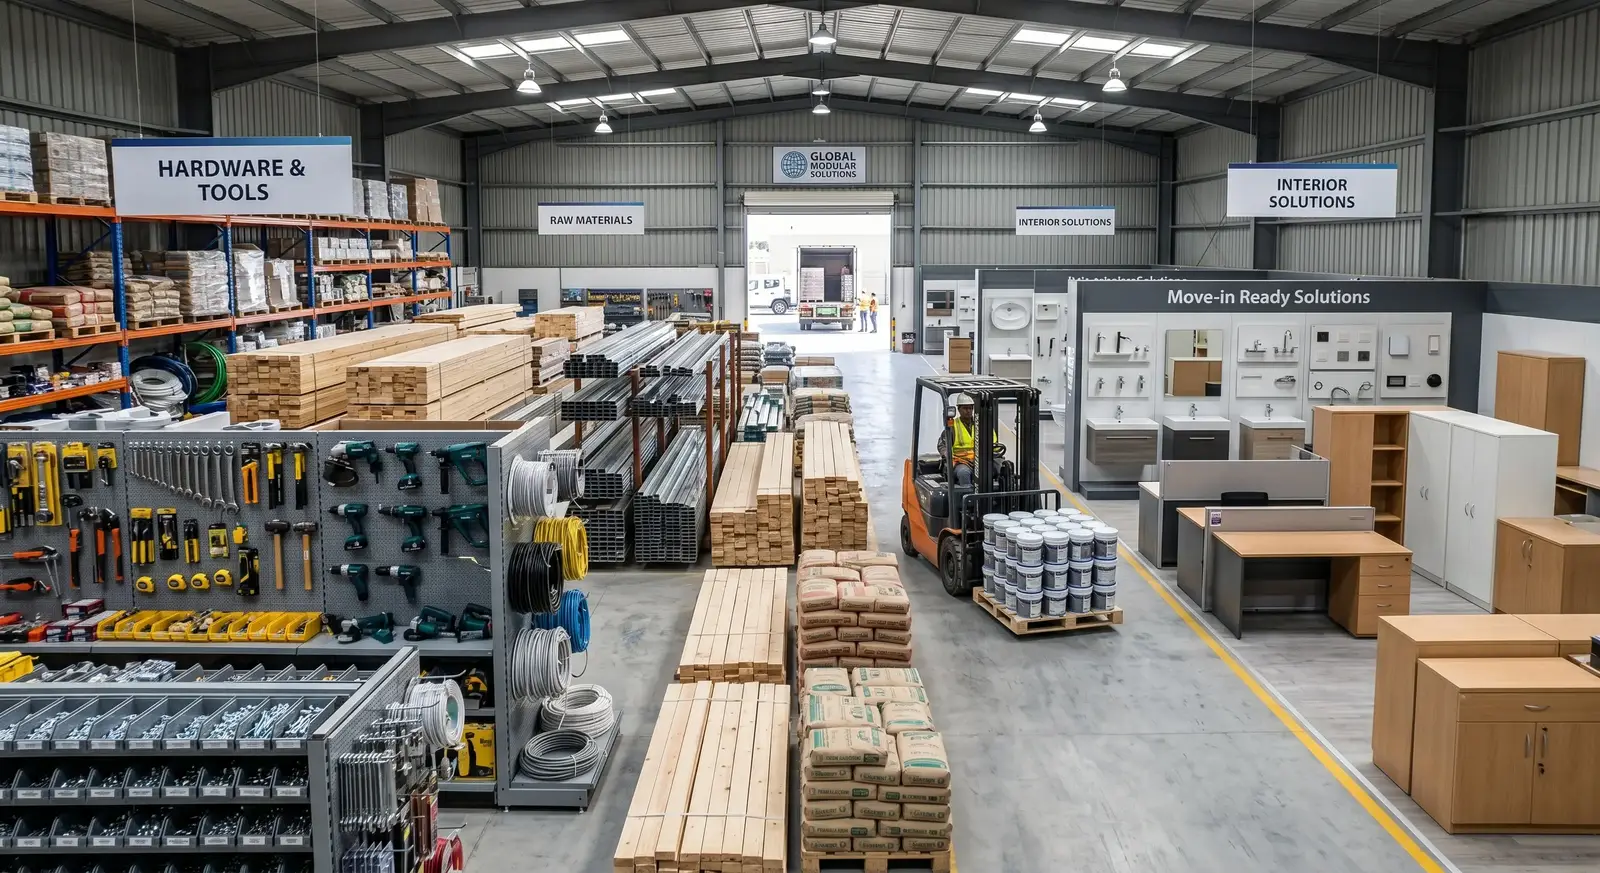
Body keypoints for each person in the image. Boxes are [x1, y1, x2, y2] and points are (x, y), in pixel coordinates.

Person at [937, 394, 990, 486]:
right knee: (964, 473)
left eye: (970, 408)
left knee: (1000, 468)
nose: (968, 411)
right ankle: (969, 498)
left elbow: (993, 443)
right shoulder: (953, 426)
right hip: (960, 462)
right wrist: (947, 455)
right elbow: (942, 445)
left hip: (979, 461)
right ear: (959, 409)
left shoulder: (981, 424)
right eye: (965, 408)